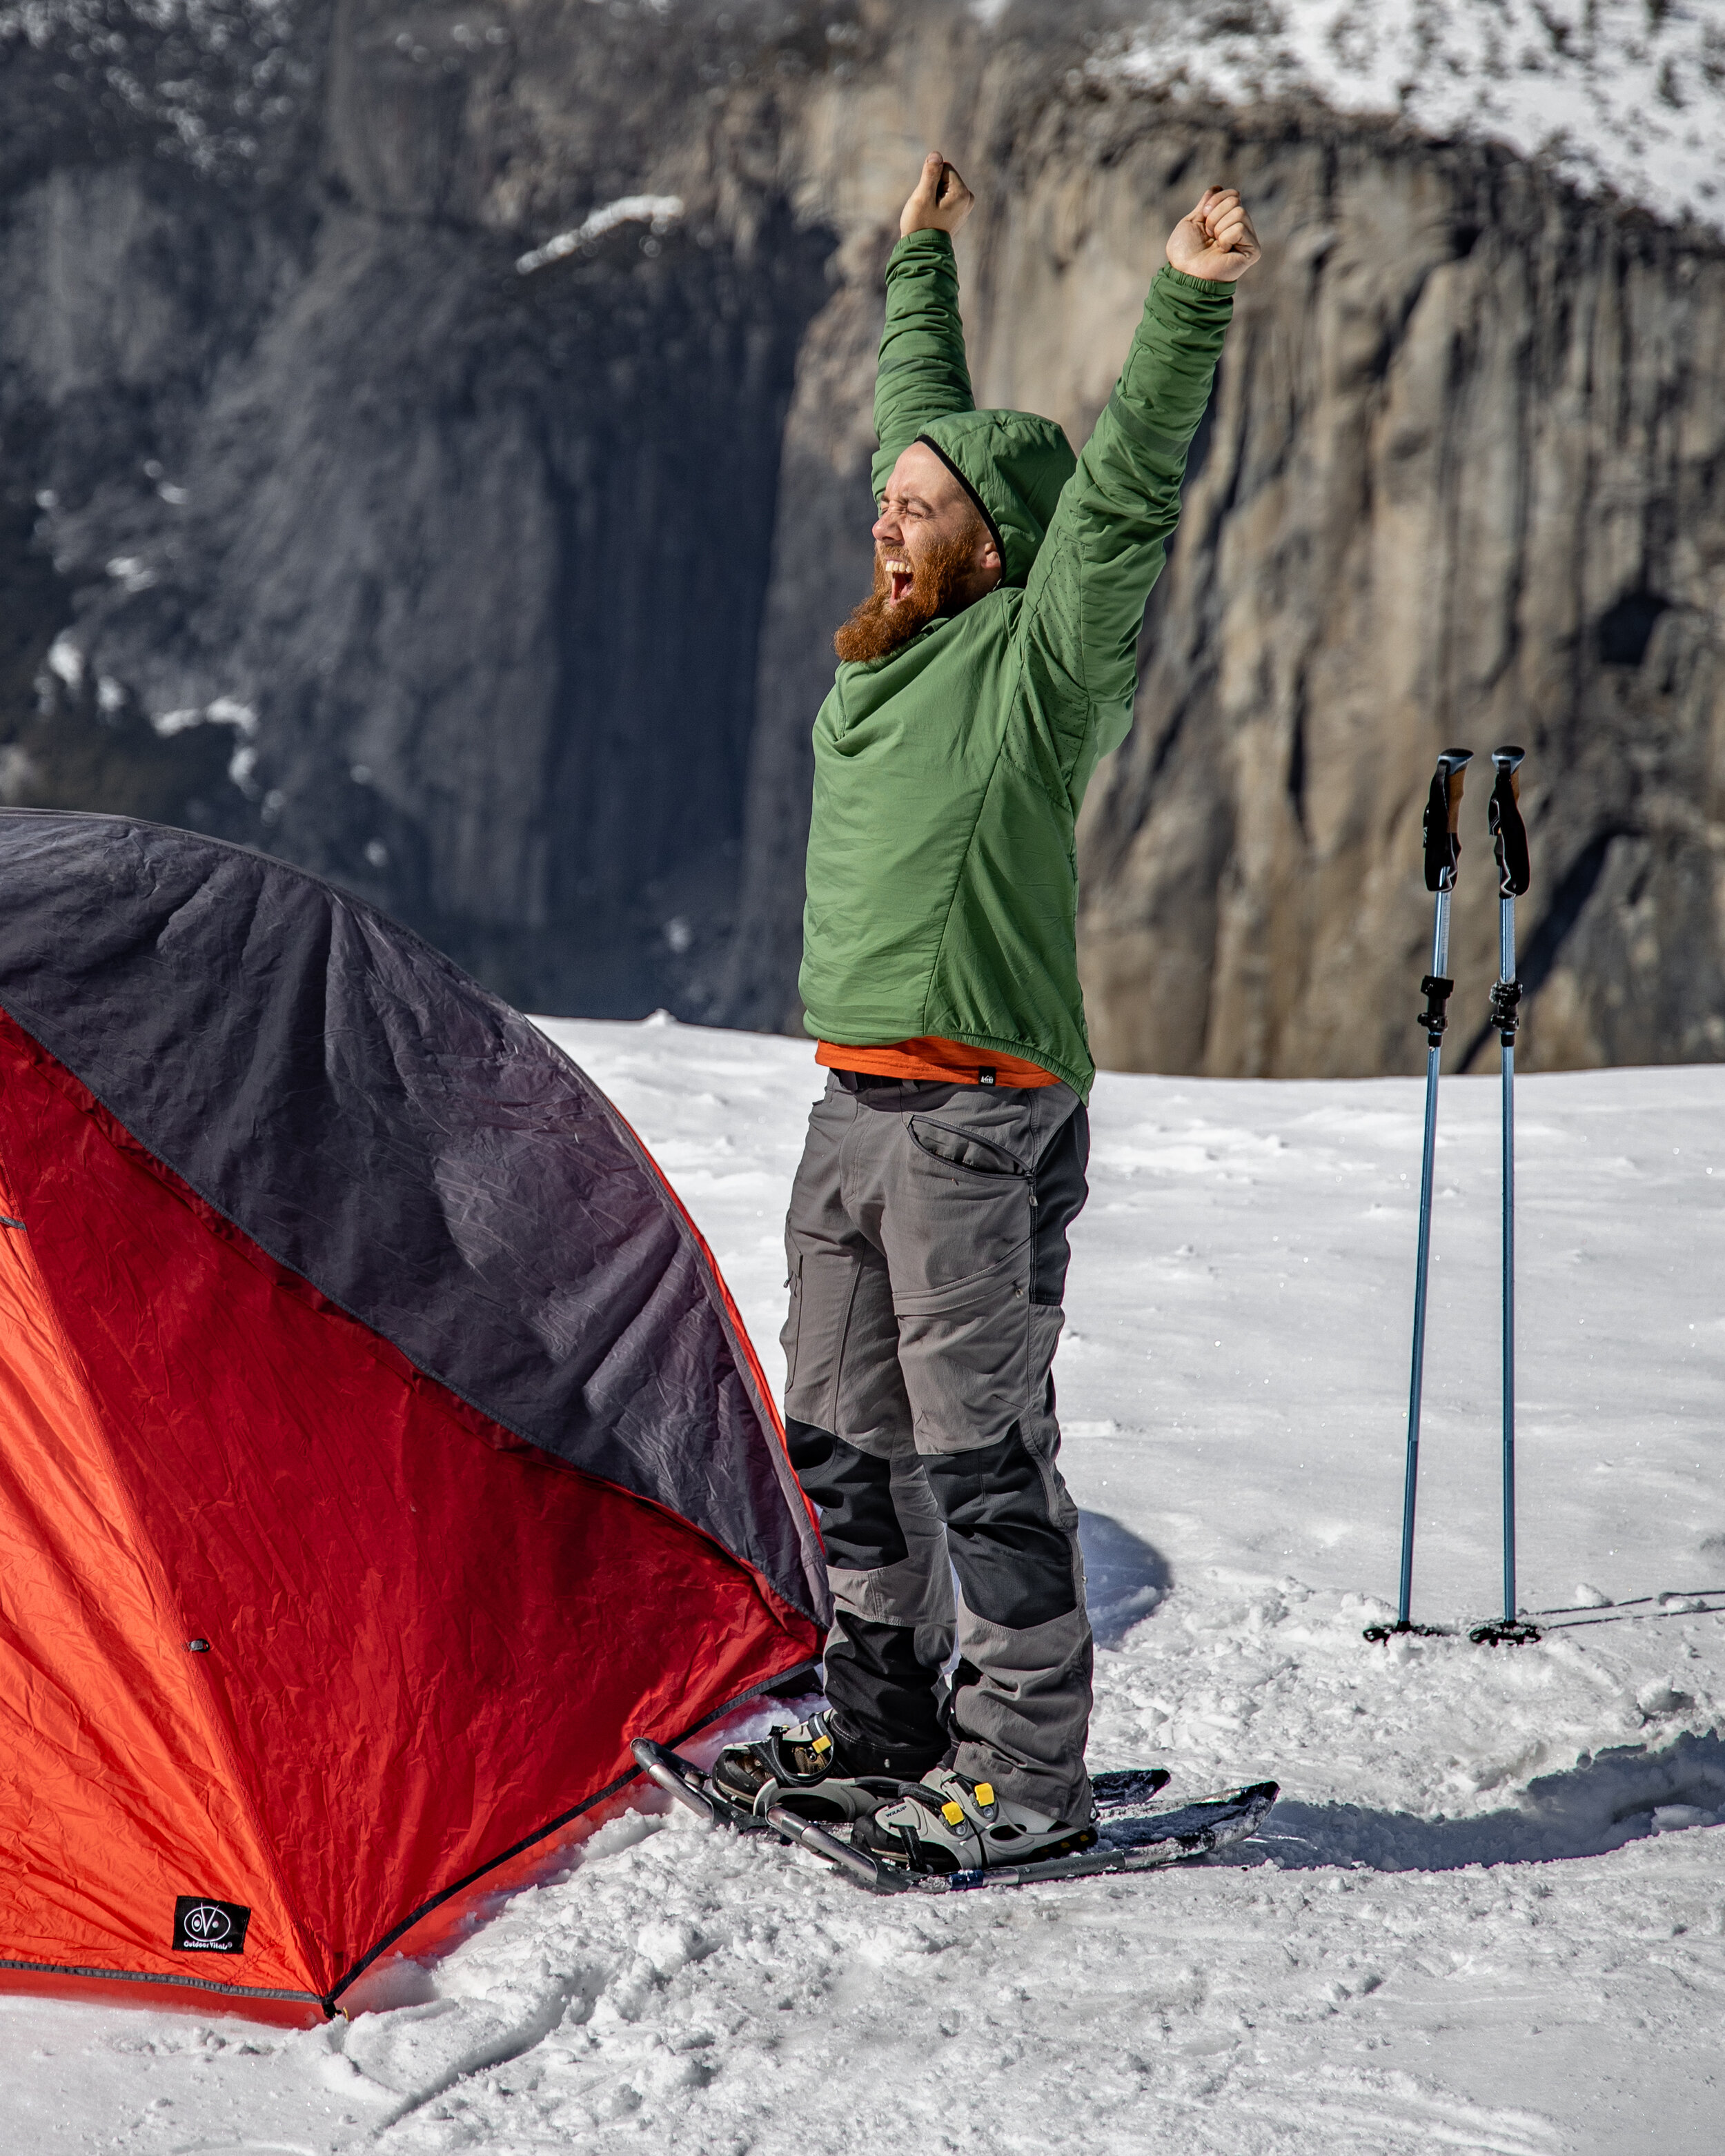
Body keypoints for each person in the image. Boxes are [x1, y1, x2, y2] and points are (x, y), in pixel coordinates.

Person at [716, 153, 1260, 1872]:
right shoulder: (888, 647)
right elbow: (924, 423)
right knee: (843, 1445)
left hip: (972, 1118)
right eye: (886, 500)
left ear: (994, 545)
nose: (885, 517)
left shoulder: (1037, 664)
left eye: (918, 508)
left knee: (978, 1459)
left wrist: (1183, 300)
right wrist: (920, 265)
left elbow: (1118, 496)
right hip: (849, 1107)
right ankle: (885, 1722)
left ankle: (1024, 1773)